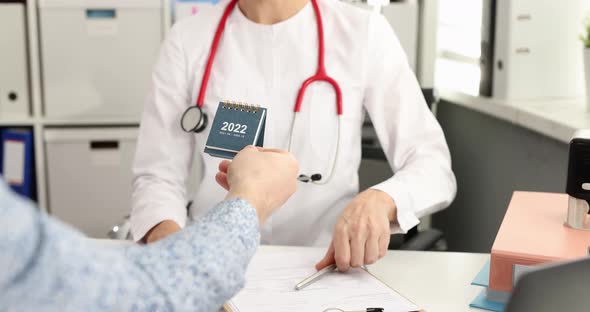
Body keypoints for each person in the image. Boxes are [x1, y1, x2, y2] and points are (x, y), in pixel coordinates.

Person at [132, 0, 457, 271]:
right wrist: (172, 249)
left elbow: (432, 166)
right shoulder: (188, 39)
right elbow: (157, 175)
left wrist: (382, 200)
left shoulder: (363, 33)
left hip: (324, 265)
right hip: (211, 260)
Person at [0, 147, 298, 311]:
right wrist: (252, 196)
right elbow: (126, 298)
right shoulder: (188, 38)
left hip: (315, 252)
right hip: (204, 247)